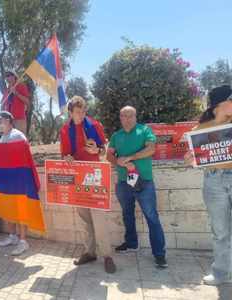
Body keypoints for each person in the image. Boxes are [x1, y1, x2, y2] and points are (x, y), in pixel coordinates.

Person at [59, 96, 116, 273]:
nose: (82, 115)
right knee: (85, 219)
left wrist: (96, 150)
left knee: (99, 218)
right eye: (78, 112)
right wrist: (67, 158)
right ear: (70, 112)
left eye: (84, 111)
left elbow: (103, 149)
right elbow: (65, 155)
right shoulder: (65, 130)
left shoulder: (94, 125)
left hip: (95, 175)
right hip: (78, 177)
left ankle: (107, 256)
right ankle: (90, 253)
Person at [107, 106, 167, 269]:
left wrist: (130, 157)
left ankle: (159, 254)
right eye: (123, 116)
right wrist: (117, 161)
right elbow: (109, 154)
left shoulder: (145, 130)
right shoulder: (116, 136)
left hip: (144, 181)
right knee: (127, 214)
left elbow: (151, 149)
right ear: (120, 117)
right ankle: (132, 243)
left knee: (151, 217)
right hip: (123, 182)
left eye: (130, 115)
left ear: (135, 116)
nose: (127, 119)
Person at [184, 85, 232, 285]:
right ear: (218, 106)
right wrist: (190, 158)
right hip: (213, 180)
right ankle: (221, 273)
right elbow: (194, 159)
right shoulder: (199, 130)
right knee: (220, 230)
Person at [0, 111, 30, 255]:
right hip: (6, 180)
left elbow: (25, 157)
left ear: (8, 120)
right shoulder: (2, 138)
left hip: (19, 180)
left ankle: (23, 241)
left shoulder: (17, 135)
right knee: (9, 210)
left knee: (20, 211)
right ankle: (12, 237)